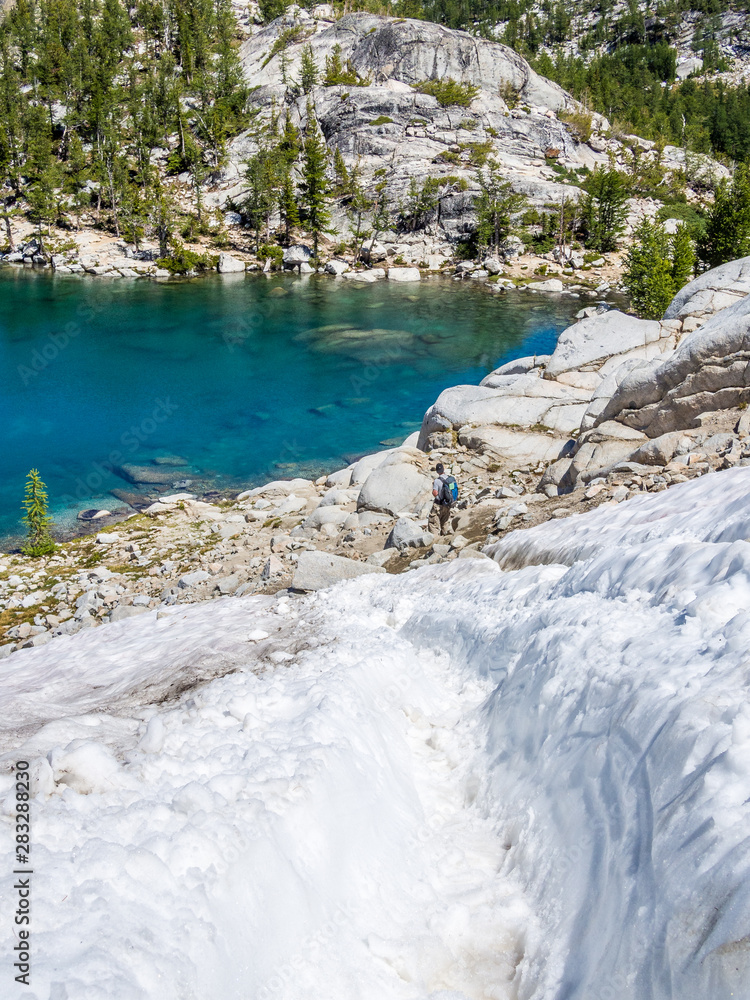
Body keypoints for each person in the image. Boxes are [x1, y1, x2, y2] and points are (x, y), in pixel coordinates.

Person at [428, 462, 455, 536]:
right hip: (448, 504)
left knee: (433, 523)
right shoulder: (450, 479)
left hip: (438, 504)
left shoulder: (437, 481)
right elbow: (452, 490)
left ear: (437, 471)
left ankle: (435, 539)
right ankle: (445, 538)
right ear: (444, 469)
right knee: (445, 522)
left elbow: (435, 493)